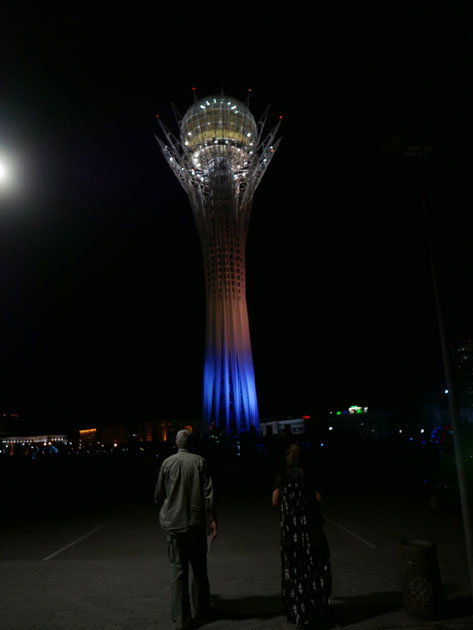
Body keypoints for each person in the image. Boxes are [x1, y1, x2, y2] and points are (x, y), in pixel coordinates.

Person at [155, 429, 218, 630]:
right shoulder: (200, 462)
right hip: (196, 525)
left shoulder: (167, 463)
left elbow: (158, 494)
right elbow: (209, 495)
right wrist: (213, 520)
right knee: (199, 571)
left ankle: (181, 619)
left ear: (176, 443)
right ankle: (202, 612)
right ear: (191, 443)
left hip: (174, 525)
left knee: (178, 572)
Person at [272, 443, 332, 628]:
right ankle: (315, 608)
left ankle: (297, 609)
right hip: (310, 528)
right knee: (312, 568)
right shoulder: (308, 474)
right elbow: (318, 498)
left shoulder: (282, 476)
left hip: (292, 531)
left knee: (295, 569)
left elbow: (275, 501)